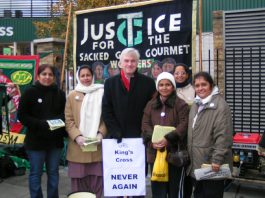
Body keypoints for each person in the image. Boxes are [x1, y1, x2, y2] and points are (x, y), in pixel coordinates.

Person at [17, 64, 67, 198]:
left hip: (55, 142)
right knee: (35, 173)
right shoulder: (29, 92)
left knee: (53, 173)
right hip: (35, 142)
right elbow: (22, 115)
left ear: (54, 77)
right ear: (38, 76)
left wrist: (55, 122)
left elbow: (65, 114)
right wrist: (40, 124)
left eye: (50, 74)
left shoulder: (60, 94)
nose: (47, 77)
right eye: (44, 74)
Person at [141, 72, 189, 198]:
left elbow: (184, 124)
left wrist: (168, 139)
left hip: (174, 154)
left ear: (173, 87)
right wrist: (153, 141)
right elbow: (145, 124)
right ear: (157, 87)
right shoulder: (150, 105)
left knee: (174, 189)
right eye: (161, 85)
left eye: (168, 84)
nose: (164, 87)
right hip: (155, 153)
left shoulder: (181, 104)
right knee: (158, 190)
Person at [187, 72, 233, 198]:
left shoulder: (220, 106)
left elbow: (223, 136)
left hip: (212, 164)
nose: (200, 88)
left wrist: (217, 160)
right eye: (197, 85)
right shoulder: (196, 104)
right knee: (199, 194)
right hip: (198, 163)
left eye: (204, 84)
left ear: (211, 86)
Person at [65, 65, 106, 198]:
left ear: (93, 76)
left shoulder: (101, 93)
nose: (86, 78)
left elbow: (107, 117)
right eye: (82, 76)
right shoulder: (72, 95)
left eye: (88, 75)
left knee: (98, 183)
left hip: (97, 147)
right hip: (78, 148)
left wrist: (101, 133)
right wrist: (77, 137)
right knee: (78, 186)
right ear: (78, 77)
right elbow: (68, 120)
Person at [102, 47, 156, 142]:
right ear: (120, 63)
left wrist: (146, 131)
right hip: (116, 137)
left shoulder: (149, 83)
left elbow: (152, 110)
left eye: (133, 61)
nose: (129, 64)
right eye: (126, 61)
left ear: (138, 63)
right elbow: (107, 110)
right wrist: (115, 131)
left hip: (141, 136)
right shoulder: (110, 83)